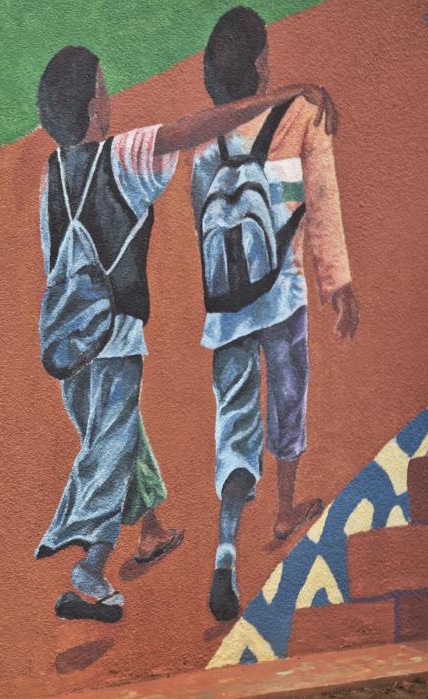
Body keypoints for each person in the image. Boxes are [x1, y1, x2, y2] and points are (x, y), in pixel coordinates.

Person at [33, 45, 337, 622]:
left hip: (65, 343)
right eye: (103, 86)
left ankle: (151, 532)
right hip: (114, 338)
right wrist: (274, 97)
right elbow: (186, 129)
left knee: (119, 434)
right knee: (111, 447)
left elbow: (56, 265)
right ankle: (90, 573)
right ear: (93, 109)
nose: (110, 95)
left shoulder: (50, 177)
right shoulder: (120, 156)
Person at [193, 7, 358, 622]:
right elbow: (322, 204)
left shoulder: (207, 138)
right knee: (287, 399)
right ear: (262, 65)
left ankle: (226, 546)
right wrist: (338, 284)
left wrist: (222, 297)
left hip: (228, 306)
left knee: (234, 421)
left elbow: (198, 224)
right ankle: (284, 510)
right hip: (281, 294)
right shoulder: (302, 116)